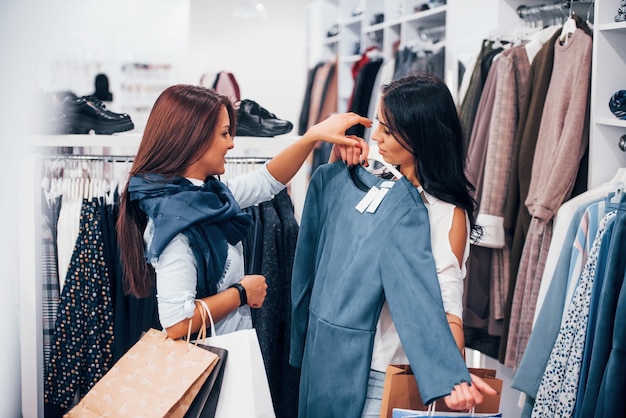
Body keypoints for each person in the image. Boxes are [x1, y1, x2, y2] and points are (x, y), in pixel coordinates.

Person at [290, 73, 497, 417]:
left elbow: (446, 305)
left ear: (420, 134)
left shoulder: (445, 212)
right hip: (329, 359)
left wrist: (452, 376)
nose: (376, 136)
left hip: (382, 373)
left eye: (387, 129)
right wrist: (338, 167)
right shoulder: (378, 181)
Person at [116, 84, 369, 341]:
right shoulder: (176, 224)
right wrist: (241, 293)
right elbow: (177, 323)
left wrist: (311, 138)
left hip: (224, 353)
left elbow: (266, 181)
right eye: (224, 134)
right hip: (209, 365)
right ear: (194, 138)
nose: (231, 144)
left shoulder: (206, 199)